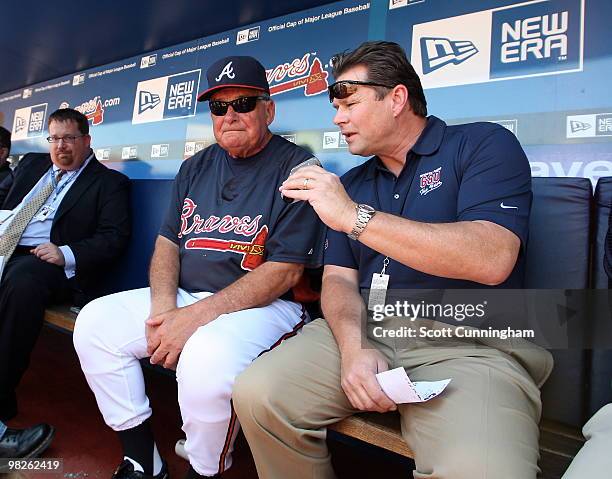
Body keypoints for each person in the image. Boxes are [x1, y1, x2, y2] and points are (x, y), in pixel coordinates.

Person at [233, 41, 554, 479]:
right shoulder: (353, 182)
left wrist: (352, 216)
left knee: (480, 470)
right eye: (334, 105)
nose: (337, 117)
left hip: (467, 344)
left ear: (397, 98)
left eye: (349, 101)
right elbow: (340, 282)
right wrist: (354, 348)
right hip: (366, 329)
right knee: (259, 394)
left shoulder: (481, 144)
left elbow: (493, 257)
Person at [73, 55, 325, 479]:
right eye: (218, 106)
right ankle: (142, 460)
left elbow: (284, 272)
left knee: (205, 359)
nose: (230, 115)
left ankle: (205, 471)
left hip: (264, 309)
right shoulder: (195, 166)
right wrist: (162, 313)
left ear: (269, 109)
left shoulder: (298, 168)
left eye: (243, 103)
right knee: (95, 325)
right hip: (189, 298)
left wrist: (192, 319)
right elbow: (167, 244)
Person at [0, 108, 130, 424]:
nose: (61, 146)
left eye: (69, 138)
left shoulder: (109, 183)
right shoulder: (32, 165)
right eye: (55, 138)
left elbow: (114, 237)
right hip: (7, 247)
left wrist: (66, 253)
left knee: (21, 281)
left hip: (50, 264)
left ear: (86, 140)